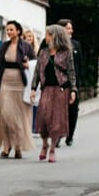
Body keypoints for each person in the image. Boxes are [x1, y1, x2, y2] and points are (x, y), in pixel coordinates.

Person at [30, 24, 78, 163]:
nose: (45, 37)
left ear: (54, 36)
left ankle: (52, 149)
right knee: (43, 117)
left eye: (47, 34)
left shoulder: (66, 52)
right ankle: (44, 144)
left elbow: (71, 72)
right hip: (46, 89)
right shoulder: (43, 52)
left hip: (61, 89)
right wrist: (33, 88)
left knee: (56, 120)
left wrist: (73, 90)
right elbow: (37, 72)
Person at [0, 20, 35, 159]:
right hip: (5, 82)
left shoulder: (26, 46)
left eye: (11, 29)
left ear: (18, 31)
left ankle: (18, 147)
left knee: (19, 116)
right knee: (5, 114)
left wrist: (29, 64)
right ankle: (6, 145)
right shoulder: (4, 45)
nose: (9, 32)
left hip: (20, 83)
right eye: (7, 30)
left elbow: (35, 62)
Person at [57, 18, 86, 146]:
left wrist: (78, 84)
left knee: (72, 110)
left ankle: (70, 135)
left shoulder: (76, 44)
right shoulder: (54, 44)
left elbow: (80, 64)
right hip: (58, 83)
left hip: (73, 83)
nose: (71, 30)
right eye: (68, 28)